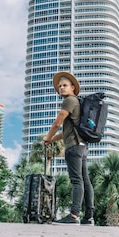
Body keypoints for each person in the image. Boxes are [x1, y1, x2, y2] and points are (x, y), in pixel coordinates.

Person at [43, 71, 95, 225]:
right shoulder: (77, 103)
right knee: (85, 181)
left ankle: (73, 216)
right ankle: (89, 217)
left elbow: (57, 123)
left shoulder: (69, 101)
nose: (61, 88)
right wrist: (52, 139)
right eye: (59, 86)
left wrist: (46, 136)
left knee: (77, 180)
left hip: (73, 147)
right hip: (82, 146)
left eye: (64, 85)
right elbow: (65, 131)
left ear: (73, 87)